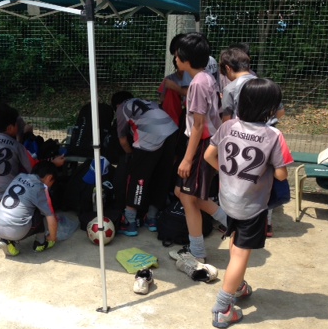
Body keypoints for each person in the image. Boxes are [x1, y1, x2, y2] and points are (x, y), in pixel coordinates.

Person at [204, 79, 293, 328]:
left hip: (228, 198)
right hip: (252, 204)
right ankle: (223, 308)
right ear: (270, 108)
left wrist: (227, 174)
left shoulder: (227, 126)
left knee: (236, 240)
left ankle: (237, 285)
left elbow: (209, 155)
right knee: (243, 252)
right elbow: (281, 174)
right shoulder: (274, 135)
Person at [172, 32, 228, 264]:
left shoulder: (197, 84)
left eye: (177, 55)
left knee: (187, 198)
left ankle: (197, 252)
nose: (175, 59)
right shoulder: (206, 78)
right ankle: (232, 223)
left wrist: (187, 159)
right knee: (185, 194)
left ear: (185, 59)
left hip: (202, 144)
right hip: (207, 143)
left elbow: (198, 125)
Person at [219, 45, 285, 237]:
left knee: (241, 182)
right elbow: (280, 111)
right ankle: (267, 224)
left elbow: (226, 120)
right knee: (265, 182)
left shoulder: (230, 88)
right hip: (267, 139)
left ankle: (233, 223)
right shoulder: (263, 84)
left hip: (240, 142)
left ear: (228, 68)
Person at [111, 91, 179, 236]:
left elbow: (123, 141)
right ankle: (152, 218)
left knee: (138, 178)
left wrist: (131, 155)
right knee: (162, 177)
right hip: (172, 132)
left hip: (149, 136)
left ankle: (130, 222)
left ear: (116, 105)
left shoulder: (122, 108)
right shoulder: (147, 102)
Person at [0, 161, 59, 257]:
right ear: (49, 178)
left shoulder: (20, 176)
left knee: (21, 209)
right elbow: (50, 217)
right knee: (42, 211)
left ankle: (6, 240)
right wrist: (52, 237)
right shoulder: (40, 188)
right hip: (17, 230)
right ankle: (40, 243)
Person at [0, 103, 35, 211]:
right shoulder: (17, 146)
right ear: (10, 128)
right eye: (17, 124)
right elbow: (32, 169)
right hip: (8, 193)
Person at [158, 33, 192, 126]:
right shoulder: (170, 78)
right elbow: (162, 98)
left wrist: (175, 88)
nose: (176, 59)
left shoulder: (189, 67)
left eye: (177, 55)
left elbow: (190, 93)